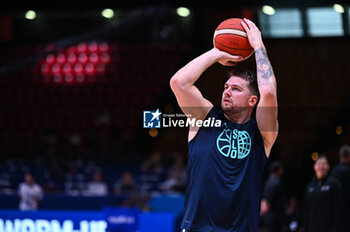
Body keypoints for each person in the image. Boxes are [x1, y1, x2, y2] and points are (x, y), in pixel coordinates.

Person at [170, 18, 278, 231]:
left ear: (252, 101)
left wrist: (258, 46)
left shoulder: (262, 133)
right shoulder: (204, 119)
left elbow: (268, 91)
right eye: (226, 87)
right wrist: (217, 52)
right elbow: (178, 82)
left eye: (236, 89)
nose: (227, 91)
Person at [303, 155, 343, 232]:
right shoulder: (310, 186)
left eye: (324, 164)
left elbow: (339, 209)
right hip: (313, 227)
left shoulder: (334, 184)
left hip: (329, 228)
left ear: (328, 167)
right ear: (314, 167)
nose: (321, 166)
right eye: (318, 164)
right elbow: (306, 210)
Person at [261, 160, 287, 232]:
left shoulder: (268, 181)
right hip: (275, 217)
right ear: (279, 170)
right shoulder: (276, 183)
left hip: (269, 216)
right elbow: (268, 201)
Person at [330, 144, 350, 231]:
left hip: (333, 208)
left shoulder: (333, 170)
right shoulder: (346, 171)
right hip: (345, 210)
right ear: (349, 156)